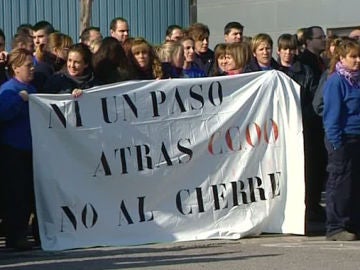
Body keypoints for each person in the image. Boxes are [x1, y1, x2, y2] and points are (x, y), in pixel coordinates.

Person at [322, 38, 360, 241]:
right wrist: (337, 144)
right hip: (343, 138)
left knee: (355, 185)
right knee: (340, 184)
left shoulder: (358, 79)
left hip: (357, 137)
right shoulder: (336, 81)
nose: (358, 60)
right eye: (353, 57)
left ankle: (354, 223)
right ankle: (335, 226)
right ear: (342, 58)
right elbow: (332, 117)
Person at [0, 48, 37, 250]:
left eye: (33, 65)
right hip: (13, 150)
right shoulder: (8, 90)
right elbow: (2, 114)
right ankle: (15, 236)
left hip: (30, 149)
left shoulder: (32, 89)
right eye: (28, 66)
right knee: (16, 195)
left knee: (27, 194)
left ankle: (23, 233)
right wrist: (17, 100)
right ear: (15, 68)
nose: (32, 69)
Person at [299, 26, 328, 224]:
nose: (323, 40)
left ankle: (316, 204)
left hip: (320, 123)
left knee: (319, 168)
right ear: (308, 41)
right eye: (319, 37)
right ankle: (309, 206)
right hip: (311, 123)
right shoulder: (304, 64)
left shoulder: (321, 62)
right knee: (311, 168)